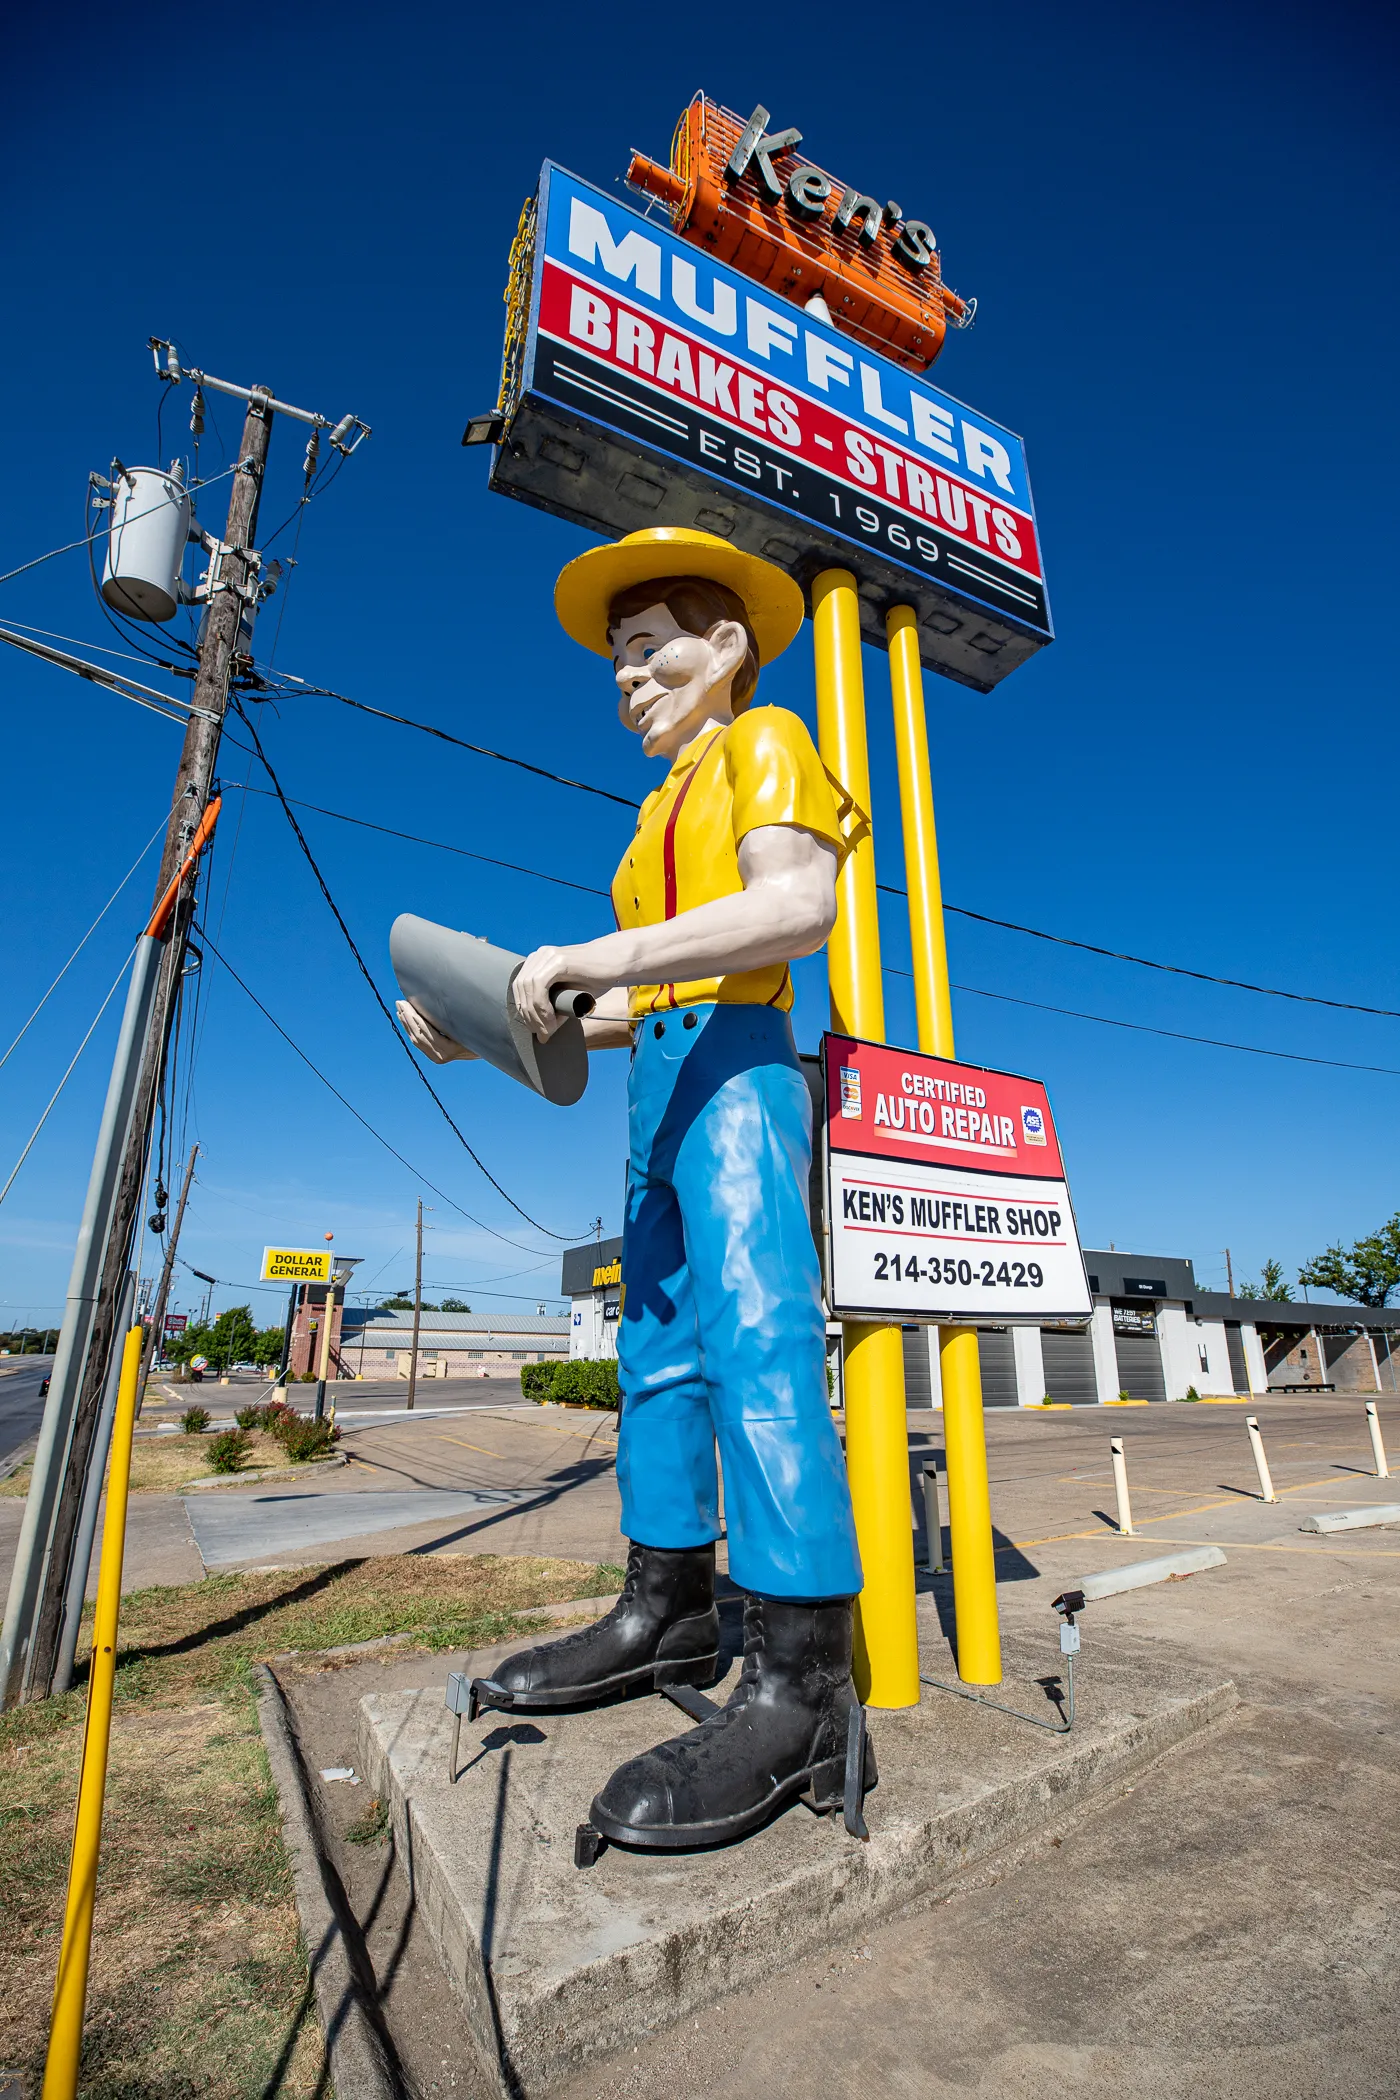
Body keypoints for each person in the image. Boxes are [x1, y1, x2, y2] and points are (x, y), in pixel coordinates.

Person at [399, 527, 872, 1850]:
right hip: (653, 1087)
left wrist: (596, 957)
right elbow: (621, 1005)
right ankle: (661, 1605)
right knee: (656, 1355)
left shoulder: (766, 741)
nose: (626, 680)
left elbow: (795, 909)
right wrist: (493, 1025)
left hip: (736, 1071)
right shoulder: (646, 829)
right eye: (615, 662)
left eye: (646, 646)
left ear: (724, 649)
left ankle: (801, 1682)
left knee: (762, 1343)